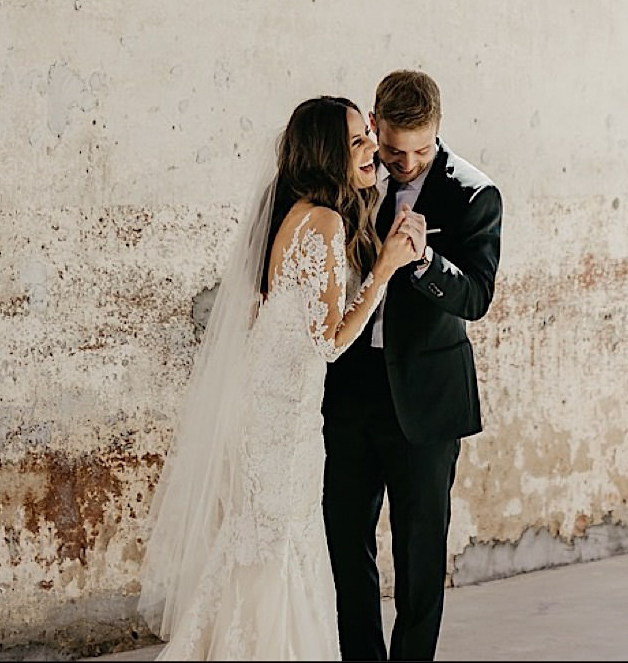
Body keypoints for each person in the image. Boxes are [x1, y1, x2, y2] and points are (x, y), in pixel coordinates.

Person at [138, 95, 424, 661]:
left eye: (368, 135)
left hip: (270, 405)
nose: (371, 149)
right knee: (279, 544)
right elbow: (329, 342)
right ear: (326, 154)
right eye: (358, 142)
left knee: (266, 543)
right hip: (281, 418)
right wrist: (386, 268)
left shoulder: (290, 211)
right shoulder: (319, 221)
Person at [323, 69, 502, 661]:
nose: (405, 162)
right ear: (374, 125)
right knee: (346, 548)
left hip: (428, 398)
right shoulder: (351, 179)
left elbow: (476, 297)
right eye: (394, 148)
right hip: (349, 391)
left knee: (420, 558)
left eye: (421, 150)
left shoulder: (474, 194)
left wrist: (425, 262)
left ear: (438, 131)